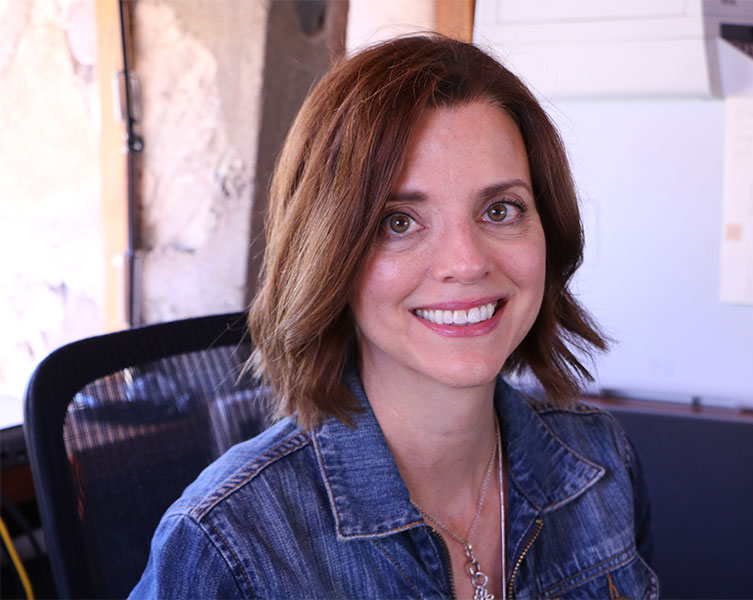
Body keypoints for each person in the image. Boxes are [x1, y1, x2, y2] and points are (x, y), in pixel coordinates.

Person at [131, 34, 657, 599]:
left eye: (500, 210)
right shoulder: (227, 543)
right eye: (399, 222)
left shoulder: (602, 466)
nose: (466, 262)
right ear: (329, 255)